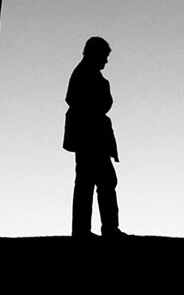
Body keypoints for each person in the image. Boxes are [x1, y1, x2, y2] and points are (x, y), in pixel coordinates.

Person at [63, 36, 121, 238]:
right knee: (97, 182)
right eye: (104, 56)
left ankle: (89, 229)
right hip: (90, 137)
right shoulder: (84, 74)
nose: (106, 61)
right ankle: (98, 230)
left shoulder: (87, 74)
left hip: (92, 136)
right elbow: (76, 100)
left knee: (92, 183)